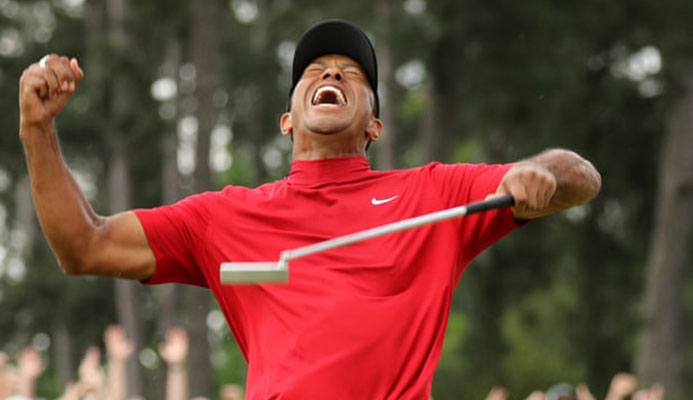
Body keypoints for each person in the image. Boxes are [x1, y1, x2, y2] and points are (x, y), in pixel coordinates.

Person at [18, 19, 601, 400]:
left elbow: (583, 178)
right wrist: (37, 131)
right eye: (315, 71)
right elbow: (84, 246)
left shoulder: (435, 194)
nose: (331, 74)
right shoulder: (224, 217)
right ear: (287, 119)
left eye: (351, 73)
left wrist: (540, 173)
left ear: (374, 123)